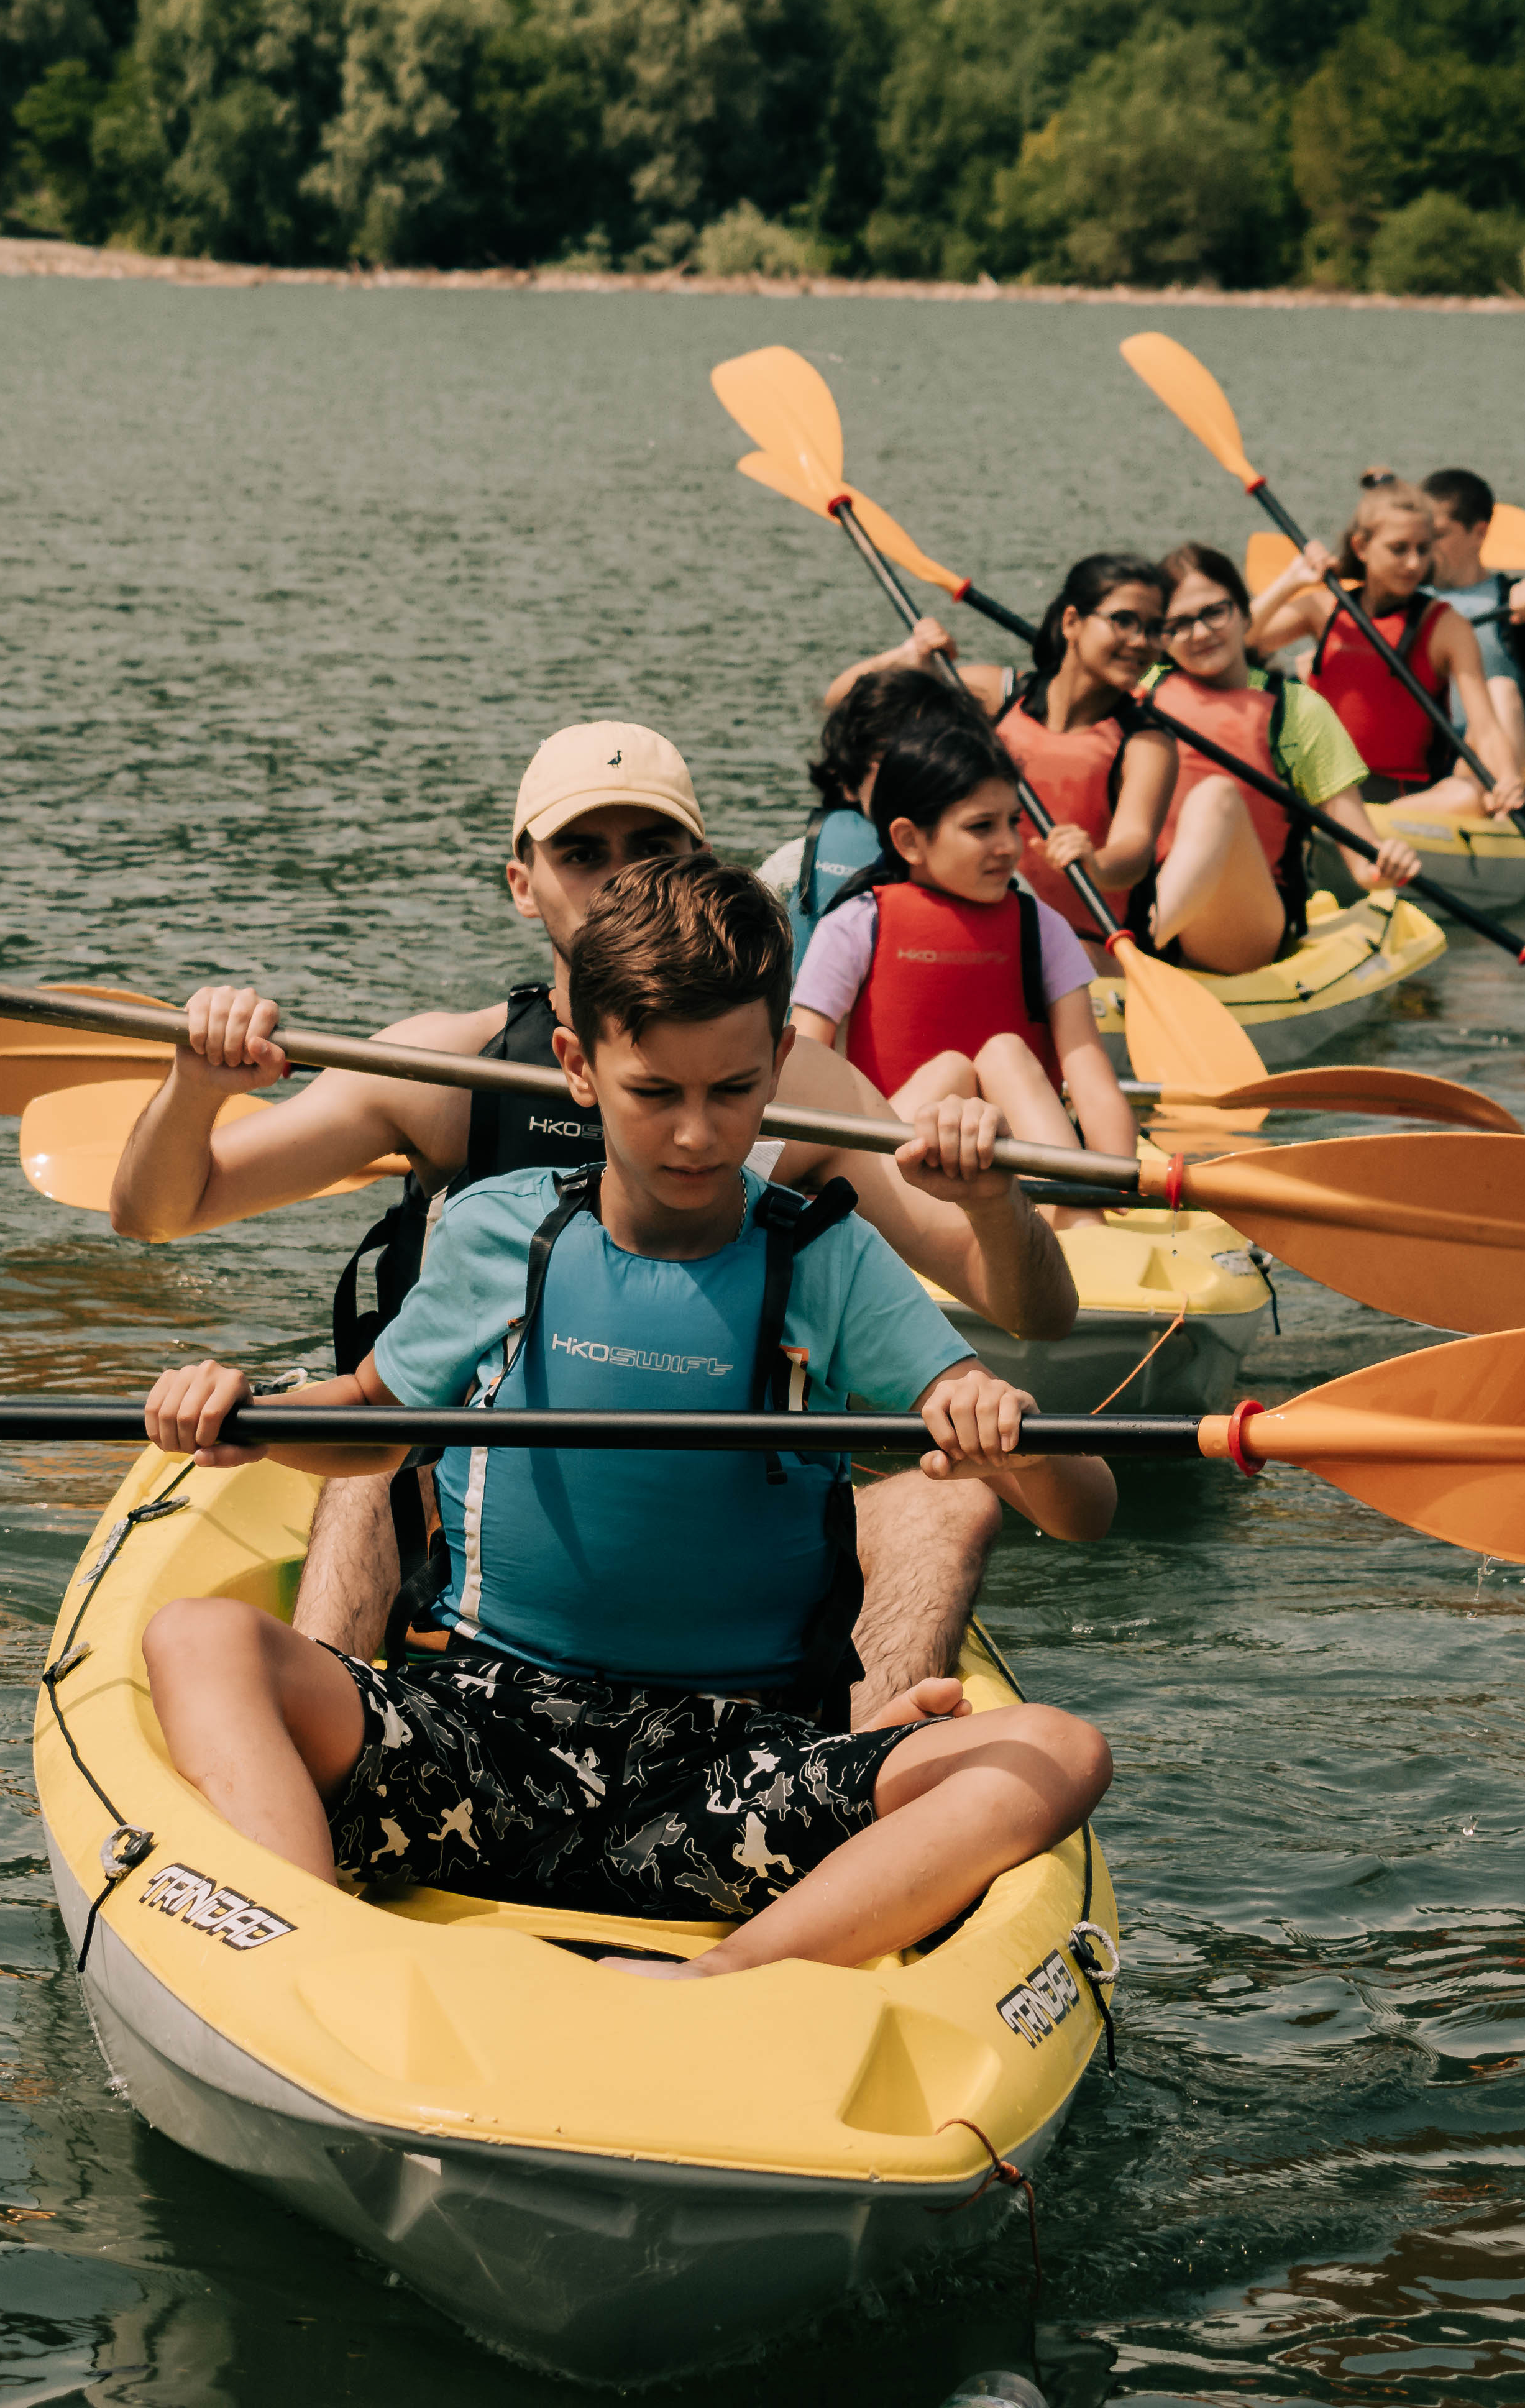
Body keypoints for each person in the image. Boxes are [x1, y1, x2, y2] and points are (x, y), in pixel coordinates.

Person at [137, 856, 1115, 1978]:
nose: (698, 1134)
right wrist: (247, 1416)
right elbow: (372, 1419)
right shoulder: (496, 1230)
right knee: (198, 1637)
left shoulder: (830, 1260)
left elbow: (1086, 1510)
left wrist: (1012, 1434)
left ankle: (725, 1982)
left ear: (779, 1070)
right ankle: (305, 1963)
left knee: (1055, 1751)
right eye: (657, 1093)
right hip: (486, 1744)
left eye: (734, 1091)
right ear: (578, 1066)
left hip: (731, 1772)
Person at [111, 723, 1081, 1727]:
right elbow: (158, 1213)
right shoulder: (448, 1069)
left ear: (696, 868)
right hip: (458, 1475)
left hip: (708, 1489)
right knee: (397, 1441)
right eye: (581, 852)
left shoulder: (806, 1092)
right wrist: (193, 1086)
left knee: (951, 1502)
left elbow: (1032, 1311)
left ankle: (851, 1761)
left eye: (650, 850)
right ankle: (339, 1731)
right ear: (522, 882)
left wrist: (989, 1202)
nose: (617, 880)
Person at [789, 720, 1137, 1197]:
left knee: (1006, 1054)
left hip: (1019, 1180)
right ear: (909, 840)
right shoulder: (853, 928)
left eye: (1012, 823)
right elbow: (803, 1071)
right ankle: (1070, 1215)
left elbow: (1092, 1083)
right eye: (981, 827)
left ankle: (1080, 1217)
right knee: (951, 1070)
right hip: (894, 1181)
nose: (1009, 846)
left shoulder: (1043, 930)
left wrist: (1122, 1187)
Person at [1065, 540, 1416, 976]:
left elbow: (1363, 861)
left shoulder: (1296, 711)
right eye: (1177, 625)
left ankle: (1141, 945)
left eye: (1214, 613)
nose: (1199, 634)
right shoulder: (1137, 690)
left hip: (1243, 928)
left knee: (1217, 797)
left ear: (1244, 615)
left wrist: (1388, 864)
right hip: (1133, 893)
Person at [823, 554, 1166, 942]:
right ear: (1072, 622)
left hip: (1089, 944)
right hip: (984, 920)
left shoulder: (1146, 741)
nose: (1141, 642)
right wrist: (909, 658)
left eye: (1155, 629)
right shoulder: (998, 697)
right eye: (1124, 621)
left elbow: (1134, 850)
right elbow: (841, 702)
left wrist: (1095, 864)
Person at [1245, 480, 1525, 817]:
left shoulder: (1445, 625)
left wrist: (1507, 779)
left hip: (1404, 794)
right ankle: (1346, 820)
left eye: (1423, 550)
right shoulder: (1323, 609)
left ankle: (1360, 824)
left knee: (1468, 795)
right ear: (1362, 547)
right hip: (1324, 782)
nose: (1414, 564)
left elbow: (1483, 726)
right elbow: (1242, 643)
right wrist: (1291, 581)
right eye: (1399, 549)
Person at [758, 664, 981, 969]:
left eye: (934, 760)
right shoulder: (794, 867)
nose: (916, 778)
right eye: (894, 763)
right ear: (849, 781)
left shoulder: (990, 868)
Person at [1421, 467, 1525, 756]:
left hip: (1494, 760)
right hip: (1428, 757)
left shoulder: (1514, 599)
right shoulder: (1406, 597)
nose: (1426, 546)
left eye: (1438, 534)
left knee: (1501, 690)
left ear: (1479, 533)